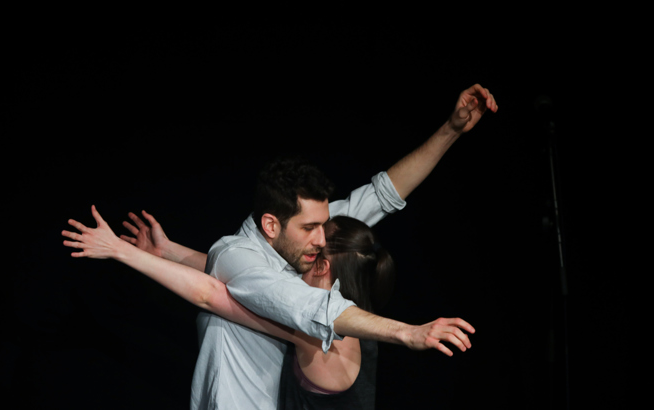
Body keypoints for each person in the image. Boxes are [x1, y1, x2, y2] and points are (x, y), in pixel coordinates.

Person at [68, 84, 497, 409]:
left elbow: (381, 194)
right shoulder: (237, 255)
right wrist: (409, 332)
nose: (322, 239)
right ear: (271, 224)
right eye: (311, 227)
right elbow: (224, 289)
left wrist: (450, 130)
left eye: (325, 225)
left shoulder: (304, 243)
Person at [63, 210, 463, 409]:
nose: (306, 244)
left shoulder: (311, 330)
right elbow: (249, 283)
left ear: (322, 266)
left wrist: (118, 251)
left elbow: (213, 294)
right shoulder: (349, 322)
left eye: (314, 242)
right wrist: (168, 249)